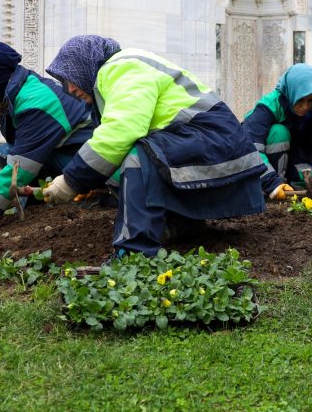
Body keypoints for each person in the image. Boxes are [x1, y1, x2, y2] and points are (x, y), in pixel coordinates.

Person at [38, 35, 266, 257]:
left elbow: (122, 129)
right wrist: (90, 179)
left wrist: (71, 180)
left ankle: (135, 252)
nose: (70, 90)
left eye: (71, 77)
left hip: (214, 142)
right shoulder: (124, 68)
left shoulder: (120, 68)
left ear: (86, 64)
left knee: (137, 157)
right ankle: (180, 226)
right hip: (217, 143)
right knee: (134, 157)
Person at [0, 42, 96, 237]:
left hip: (89, 164)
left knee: (17, 162)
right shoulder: (16, 95)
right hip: (72, 155)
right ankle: (37, 212)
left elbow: (22, 166)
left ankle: (87, 196)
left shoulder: (36, 102)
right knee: (6, 153)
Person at [243, 64, 312, 200]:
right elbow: (251, 149)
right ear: (291, 92)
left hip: (294, 161)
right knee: (278, 131)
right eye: (300, 100)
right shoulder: (268, 106)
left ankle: (289, 189)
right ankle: (268, 190)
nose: (305, 107)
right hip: (264, 168)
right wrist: (271, 182)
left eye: (310, 100)